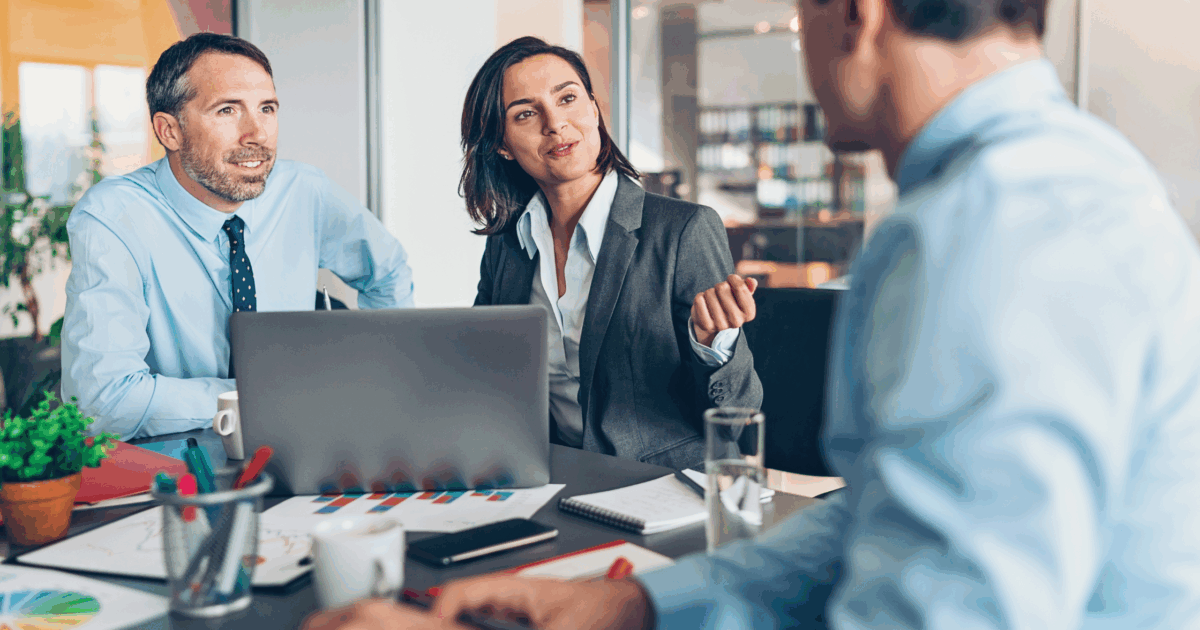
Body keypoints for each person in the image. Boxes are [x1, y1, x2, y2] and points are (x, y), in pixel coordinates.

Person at [302, 0, 1200, 628]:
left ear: (857, 12)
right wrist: (640, 604)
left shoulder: (986, 225)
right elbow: (883, 517)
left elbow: (948, 606)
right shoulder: (1044, 183)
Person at [62, 33, 415, 439]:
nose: (256, 133)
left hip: (302, 441)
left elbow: (386, 271)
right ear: (169, 131)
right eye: (227, 110)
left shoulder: (303, 191)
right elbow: (103, 403)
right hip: (179, 462)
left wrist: (381, 380)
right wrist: (255, 398)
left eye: (267, 108)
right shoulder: (114, 217)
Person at [463, 37, 762, 470]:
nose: (555, 124)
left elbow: (740, 418)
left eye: (568, 98)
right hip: (553, 477)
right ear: (502, 145)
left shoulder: (684, 230)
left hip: (663, 486)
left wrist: (714, 344)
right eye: (525, 113)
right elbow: (481, 373)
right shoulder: (508, 243)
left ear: (594, 109)